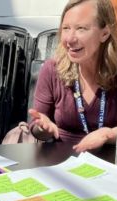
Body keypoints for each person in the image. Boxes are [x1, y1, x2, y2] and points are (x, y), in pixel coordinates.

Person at [29, 0, 117, 152]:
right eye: (66, 28)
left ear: (105, 33)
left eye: (81, 29)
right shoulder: (52, 70)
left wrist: (109, 134)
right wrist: (42, 128)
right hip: (61, 163)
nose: (69, 39)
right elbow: (36, 128)